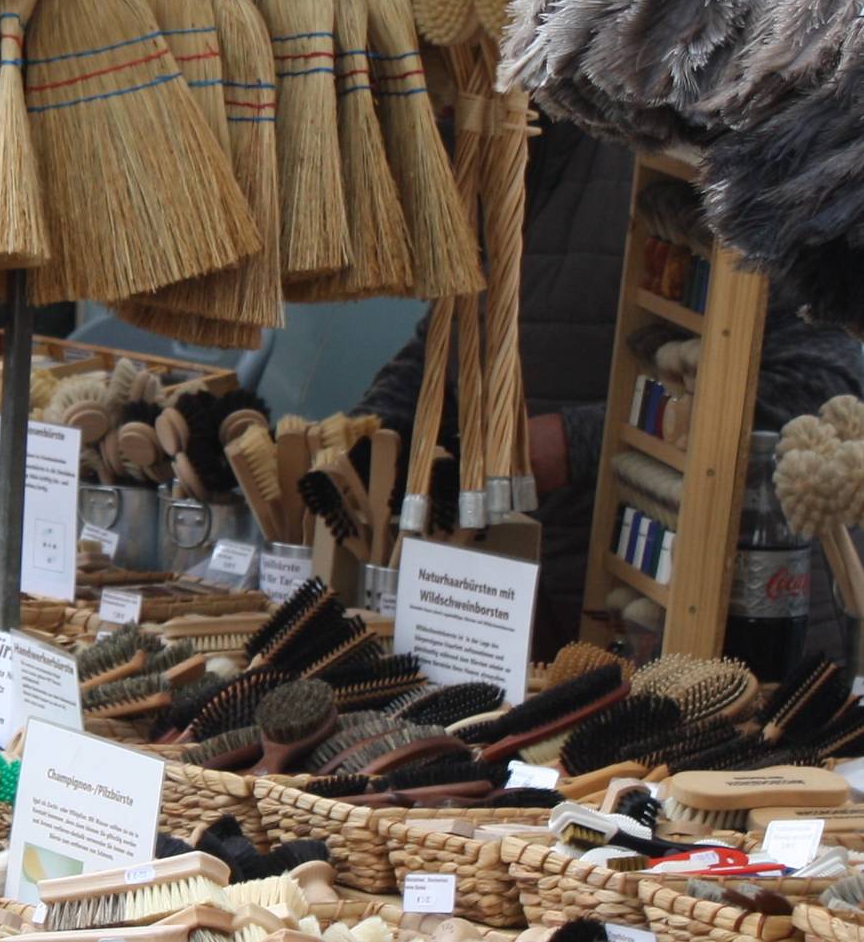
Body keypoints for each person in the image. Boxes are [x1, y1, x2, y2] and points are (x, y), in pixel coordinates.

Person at [352, 118, 864, 655]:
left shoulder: (704, 141)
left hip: (735, 632)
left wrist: (576, 442)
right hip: (544, 622)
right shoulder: (487, 159)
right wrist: (379, 426)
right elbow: (457, 333)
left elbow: (818, 393)